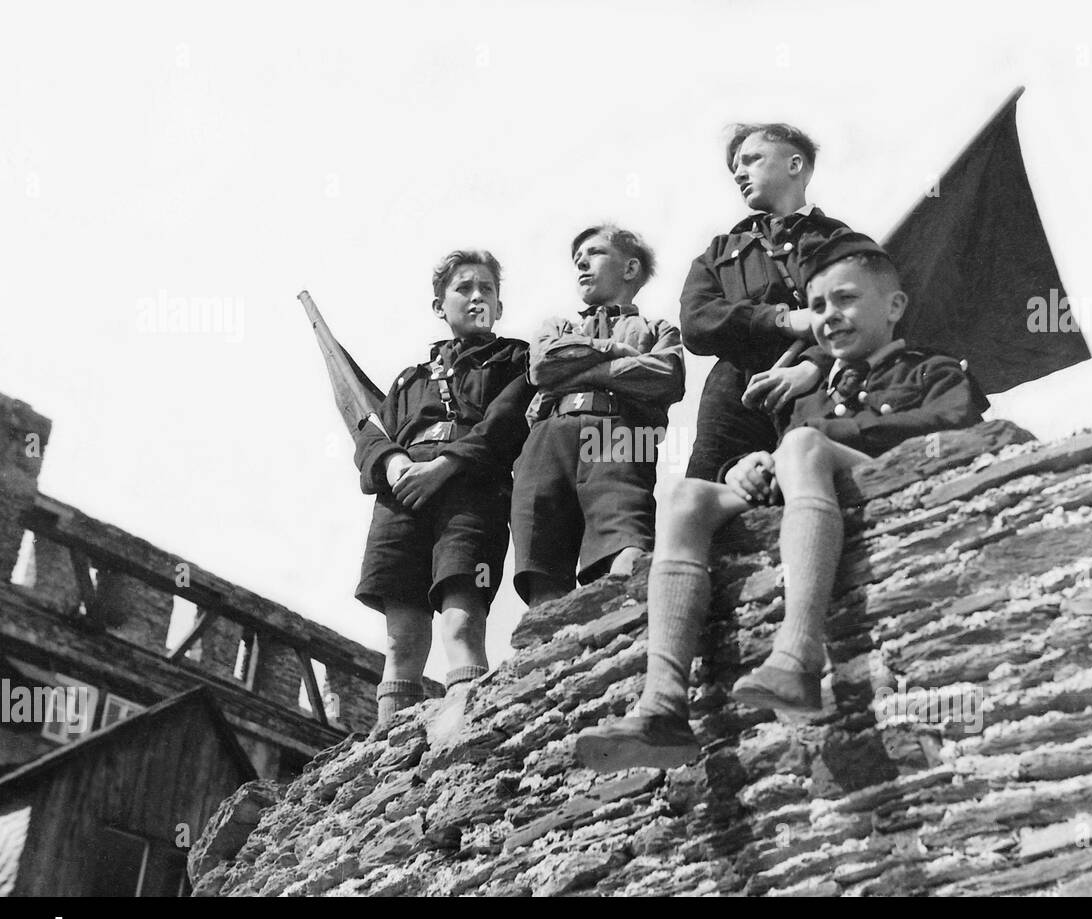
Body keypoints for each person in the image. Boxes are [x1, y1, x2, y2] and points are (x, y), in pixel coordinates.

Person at [576, 230, 989, 771]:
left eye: (846, 299)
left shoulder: (929, 367)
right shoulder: (809, 396)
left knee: (799, 443)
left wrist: (825, 440)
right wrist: (743, 467)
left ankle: (798, 653)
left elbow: (953, 421)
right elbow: (783, 458)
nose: (830, 315)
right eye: (817, 306)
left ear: (894, 306)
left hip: (887, 483)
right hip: (808, 487)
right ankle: (663, 706)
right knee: (688, 496)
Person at [353, 250, 533, 727]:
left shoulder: (515, 360)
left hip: (472, 492)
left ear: (500, 304)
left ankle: (465, 728)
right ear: (440, 306)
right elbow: (371, 432)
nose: (477, 297)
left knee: (462, 617)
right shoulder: (410, 379)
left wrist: (446, 466)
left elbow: (506, 422)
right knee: (400, 637)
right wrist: (392, 464)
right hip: (403, 493)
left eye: (487, 290)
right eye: (464, 288)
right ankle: (389, 743)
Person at [511, 225, 685, 605]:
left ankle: (621, 628)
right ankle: (552, 653)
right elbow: (542, 366)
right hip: (548, 435)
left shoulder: (657, 328)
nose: (582, 265)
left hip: (623, 431)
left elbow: (666, 376)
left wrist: (584, 370)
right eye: (577, 261)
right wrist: (613, 350)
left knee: (626, 538)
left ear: (630, 268)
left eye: (594, 253)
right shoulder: (557, 326)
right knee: (543, 559)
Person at [680, 122, 853, 483]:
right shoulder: (720, 251)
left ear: (794, 165)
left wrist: (813, 366)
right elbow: (696, 323)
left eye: (752, 159)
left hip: (817, 385)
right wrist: (783, 320)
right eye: (735, 168)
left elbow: (863, 313)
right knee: (706, 490)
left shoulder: (839, 239)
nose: (739, 173)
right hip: (733, 393)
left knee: (811, 479)